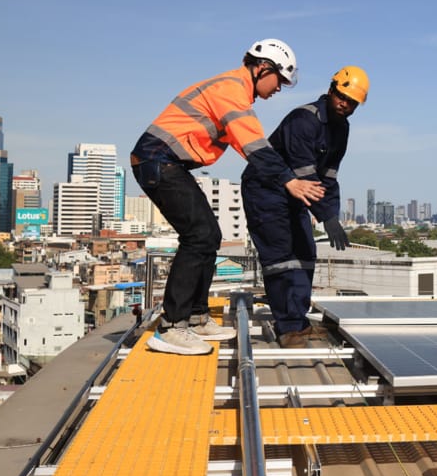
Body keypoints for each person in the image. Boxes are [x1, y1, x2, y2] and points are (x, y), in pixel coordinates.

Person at [130, 39, 325, 355]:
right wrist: (289, 180)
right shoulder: (231, 90)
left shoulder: (236, 93)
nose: (280, 88)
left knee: (209, 235)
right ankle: (172, 326)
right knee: (199, 236)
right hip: (157, 160)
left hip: (166, 162)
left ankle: (195, 316)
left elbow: (249, 147)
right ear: (263, 68)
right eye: (279, 80)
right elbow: (255, 147)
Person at [242, 66, 368, 348]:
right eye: (342, 97)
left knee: (305, 253)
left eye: (352, 103)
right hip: (266, 190)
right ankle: (288, 328)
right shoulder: (304, 120)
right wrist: (325, 215)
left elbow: (328, 177)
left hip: (297, 194)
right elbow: (306, 175)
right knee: (280, 257)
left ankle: (298, 322)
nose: (345, 105)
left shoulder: (341, 129)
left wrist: (332, 216)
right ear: (332, 89)